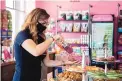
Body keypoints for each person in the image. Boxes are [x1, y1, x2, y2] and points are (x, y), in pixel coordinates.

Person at [12, 8, 77, 81]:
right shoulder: (22, 35)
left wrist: (64, 62)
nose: (45, 26)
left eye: (46, 24)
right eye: (43, 23)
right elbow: (36, 51)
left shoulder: (40, 38)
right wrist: (52, 38)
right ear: (34, 21)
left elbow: (47, 62)